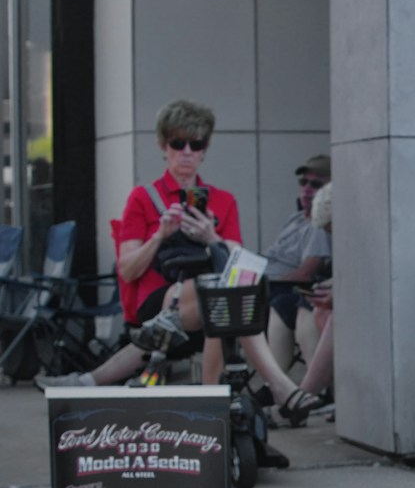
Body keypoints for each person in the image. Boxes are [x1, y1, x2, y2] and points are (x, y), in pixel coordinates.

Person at [36, 99, 303, 407]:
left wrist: (210, 236)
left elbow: (236, 262)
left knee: (220, 299)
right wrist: (159, 236)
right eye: (178, 143)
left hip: (207, 302)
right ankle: (271, 388)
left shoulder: (223, 200)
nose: (187, 152)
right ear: (164, 146)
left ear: (204, 150)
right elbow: (127, 269)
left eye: (196, 144)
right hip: (156, 303)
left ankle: (210, 401)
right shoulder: (143, 198)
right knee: (221, 299)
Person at [261, 153, 332, 389]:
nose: (307, 189)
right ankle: (275, 385)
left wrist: (262, 280)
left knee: (285, 305)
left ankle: (283, 387)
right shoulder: (294, 219)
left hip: (288, 289)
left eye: (316, 184)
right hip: (267, 286)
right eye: (304, 182)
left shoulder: (319, 226)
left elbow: (307, 273)